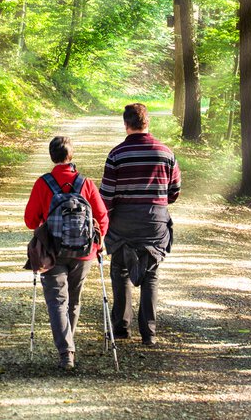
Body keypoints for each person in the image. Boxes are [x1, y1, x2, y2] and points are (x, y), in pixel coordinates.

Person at [24, 135, 109, 371]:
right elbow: (102, 217)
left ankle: (66, 352)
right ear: (71, 155)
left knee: (56, 302)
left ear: (52, 156)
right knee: (73, 299)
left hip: (52, 252)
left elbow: (30, 220)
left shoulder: (43, 183)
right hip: (84, 252)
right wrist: (99, 243)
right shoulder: (87, 184)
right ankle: (68, 345)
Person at [100, 103, 181, 346]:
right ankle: (149, 334)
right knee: (151, 275)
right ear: (148, 123)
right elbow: (174, 192)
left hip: (123, 221)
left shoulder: (116, 154)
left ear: (126, 124)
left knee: (121, 271)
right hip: (154, 221)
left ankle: (121, 327)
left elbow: (106, 196)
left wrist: (107, 223)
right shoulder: (166, 153)